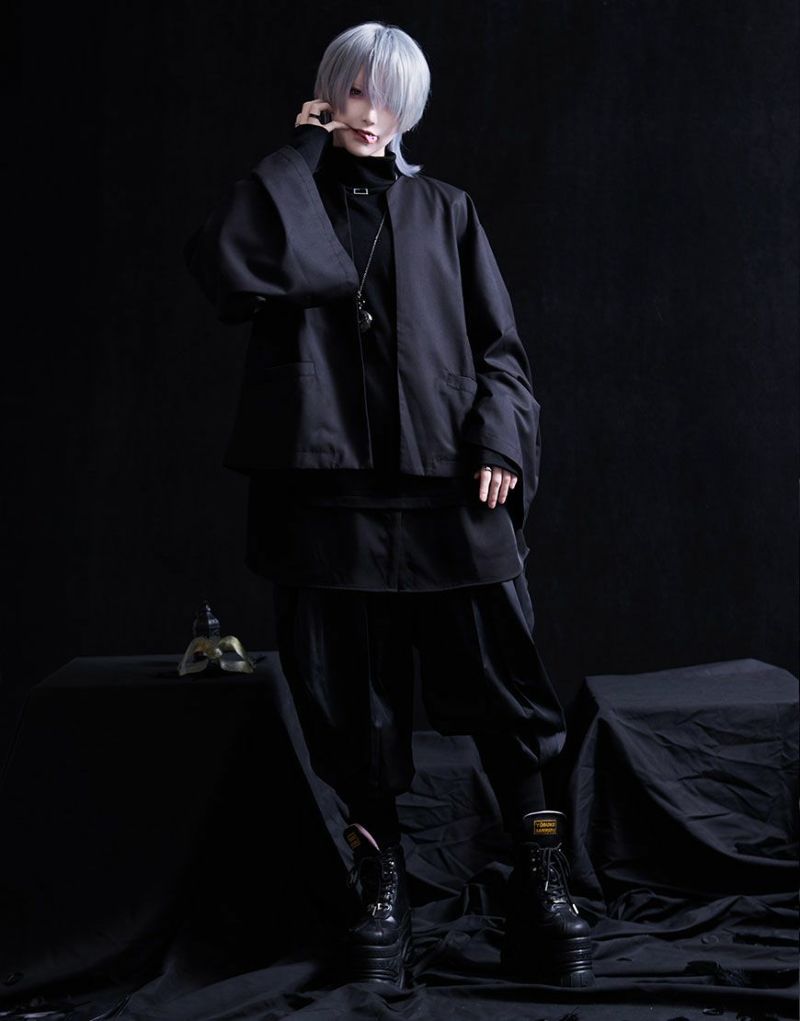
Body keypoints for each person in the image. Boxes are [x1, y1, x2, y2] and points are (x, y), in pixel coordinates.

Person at [184, 20, 593, 990]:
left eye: (393, 100)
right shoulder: (290, 203)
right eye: (358, 94)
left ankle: (540, 879)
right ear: (329, 95)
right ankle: (382, 881)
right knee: (350, 704)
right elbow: (225, 264)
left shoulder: (446, 210)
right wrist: (298, 153)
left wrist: (499, 440)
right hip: (329, 499)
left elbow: (501, 351)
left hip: (448, 486)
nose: (375, 117)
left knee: (504, 687)